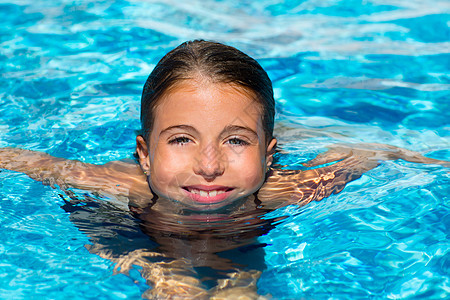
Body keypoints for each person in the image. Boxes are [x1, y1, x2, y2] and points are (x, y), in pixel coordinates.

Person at [1, 40, 448, 299]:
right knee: (162, 277)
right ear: (144, 153)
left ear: (269, 157)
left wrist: (425, 159)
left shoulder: (287, 190)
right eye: (181, 139)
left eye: (235, 141)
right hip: (138, 224)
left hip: (242, 228)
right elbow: (27, 161)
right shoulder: (117, 182)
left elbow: (370, 153)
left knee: (241, 290)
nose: (209, 166)